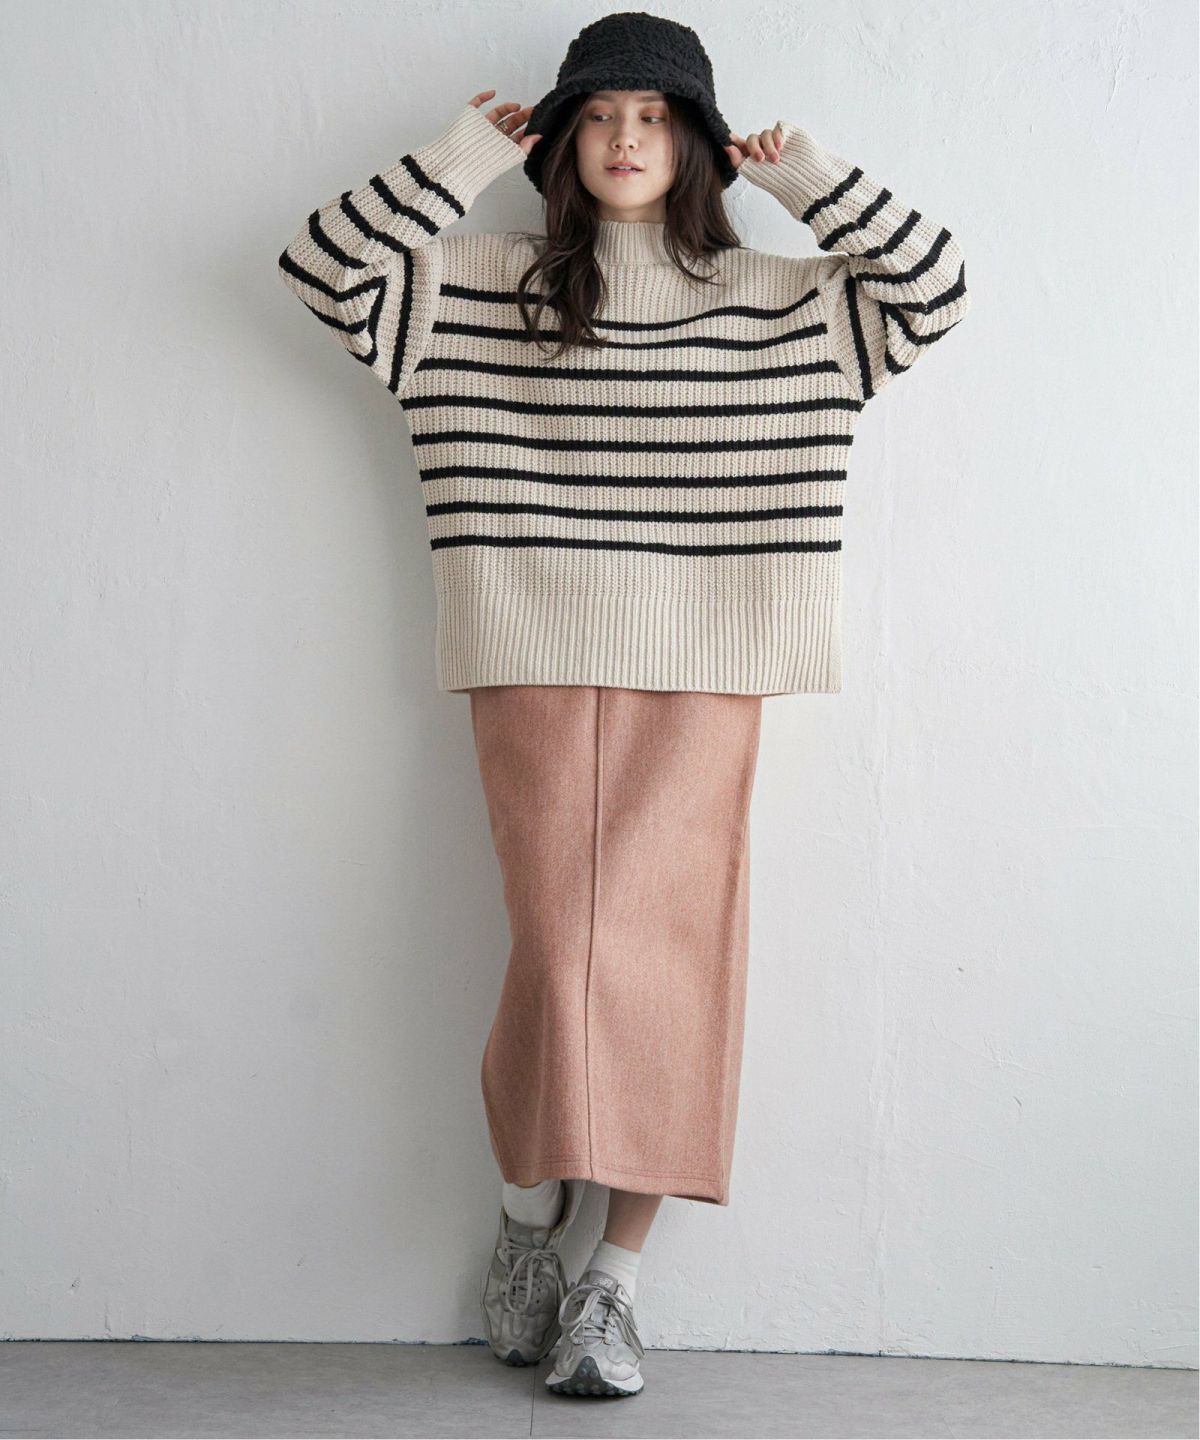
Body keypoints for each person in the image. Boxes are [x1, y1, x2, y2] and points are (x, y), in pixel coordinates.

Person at [276, 9, 970, 1400]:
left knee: (670, 961)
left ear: (697, 140)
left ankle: (614, 1284)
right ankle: (530, 1205)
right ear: (560, 141)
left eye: (654, 115)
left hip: (710, 655)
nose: (626, 137)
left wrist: (806, 174)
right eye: (597, 115)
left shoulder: (783, 299)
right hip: (530, 645)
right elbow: (321, 266)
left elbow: (935, 286)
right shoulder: (479, 284)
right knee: (559, 945)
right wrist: (461, 155)